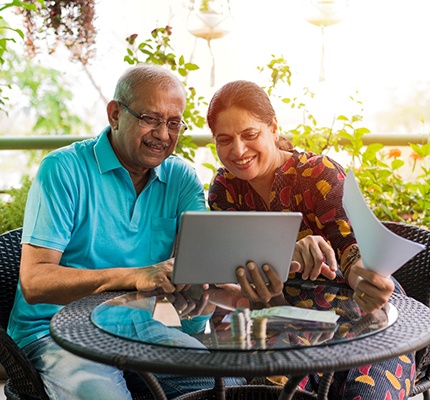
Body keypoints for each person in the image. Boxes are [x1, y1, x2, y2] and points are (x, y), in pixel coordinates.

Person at [7, 64, 244, 400]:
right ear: (115, 115)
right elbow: (35, 282)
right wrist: (137, 275)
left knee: (230, 391)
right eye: (150, 119)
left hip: (141, 325)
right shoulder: (62, 170)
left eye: (173, 123)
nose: (163, 135)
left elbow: (197, 270)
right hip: (54, 330)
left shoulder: (181, 179)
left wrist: (221, 282)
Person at [206, 80, 415, 399]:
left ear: (273, 128)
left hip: (360, 307)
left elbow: (354, 256)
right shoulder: (224, 188)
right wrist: (281, 262)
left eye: (250, 135)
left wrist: (366, 279)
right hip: (285, 314)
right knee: (277, 391)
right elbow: (243, 278)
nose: (238, 150)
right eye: (225, 140)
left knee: (367, 393)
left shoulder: (319, 173)